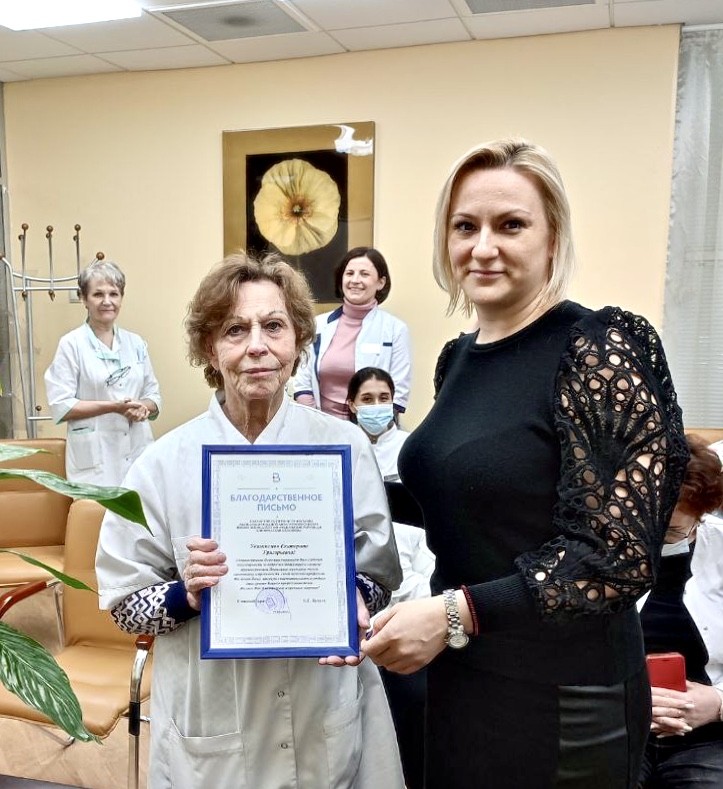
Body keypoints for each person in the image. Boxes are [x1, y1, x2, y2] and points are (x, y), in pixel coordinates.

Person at [361, 137, 690, 789]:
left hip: (564, 700)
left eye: (510, 224)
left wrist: (454, 613)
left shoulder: (598, 348)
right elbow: (468, 502)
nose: (483, 247)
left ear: (552, 236)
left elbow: (615, 558)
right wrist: (319, 500)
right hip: (463, 676)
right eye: (465, 226)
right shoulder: (458, 358)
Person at [95, 253, 405, 789]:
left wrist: (350, 594)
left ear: (298, 341)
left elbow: (378, 574)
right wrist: (187, 594)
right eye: (235, 330)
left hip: (322, 706)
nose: (257, 345)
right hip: (212, 720)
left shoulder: (345, 447)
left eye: (274, 326)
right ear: (209, 349)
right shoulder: (161, 464)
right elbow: (125, 606)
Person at [346, 366, 433, 789]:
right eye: (367, 399)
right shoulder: (341, 449)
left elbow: (421, 556)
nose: (377, 407)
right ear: (350, 405)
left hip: (412, 586)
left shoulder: (412, 454)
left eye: (384, 398)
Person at [637, 434, 723, 788]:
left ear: (699, 518)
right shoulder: (605, 552)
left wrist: (717, 703)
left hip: (707, 732)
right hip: (621, 724)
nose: (656, 538)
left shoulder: (718, 549)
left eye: (671, 530)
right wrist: (627, 700)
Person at [44, 259, 161, 486]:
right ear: (83, 299)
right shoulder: (71, 344)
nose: (107, 301)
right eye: (98, 294)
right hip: (93, 462)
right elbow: (61, 405)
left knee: (137, 506)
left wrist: (141, 407)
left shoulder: (136, 343)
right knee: (94, 509)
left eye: (114, 294)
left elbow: (154, 397)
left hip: (136, 451)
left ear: (121, 298)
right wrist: (114, 407)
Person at [293, 246, 412, 419]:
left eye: (364, 274)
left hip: (372, 428)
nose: (355, 280)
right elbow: (303, 381)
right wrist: (316, 421)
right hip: (321, 426)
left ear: (381, 282)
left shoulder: (395, 329)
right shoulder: (318, 325)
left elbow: (399, 391)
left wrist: (372, 428)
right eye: (349, 273)